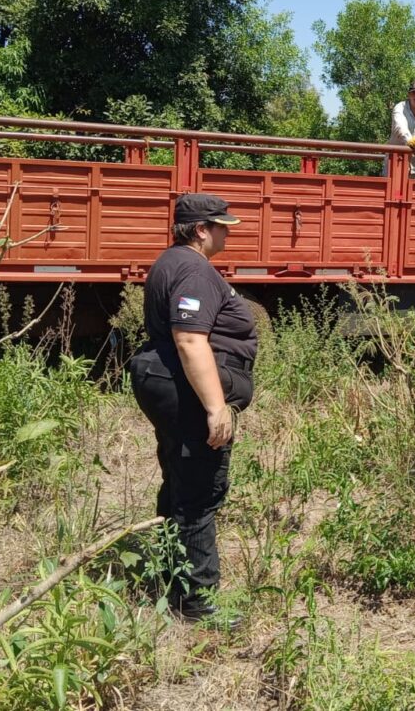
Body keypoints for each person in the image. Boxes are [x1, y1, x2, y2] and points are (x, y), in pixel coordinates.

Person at [130, 193, 257, 627]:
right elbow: (189, 339)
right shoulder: (194, 269)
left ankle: (171, 580)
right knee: (200, 492)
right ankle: (199, 603)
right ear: (201, 229)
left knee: (179, 482)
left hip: (166, 384)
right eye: (222, 225)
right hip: (185, 391)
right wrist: (216, 407)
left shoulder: (170, 262)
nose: (227, 232)